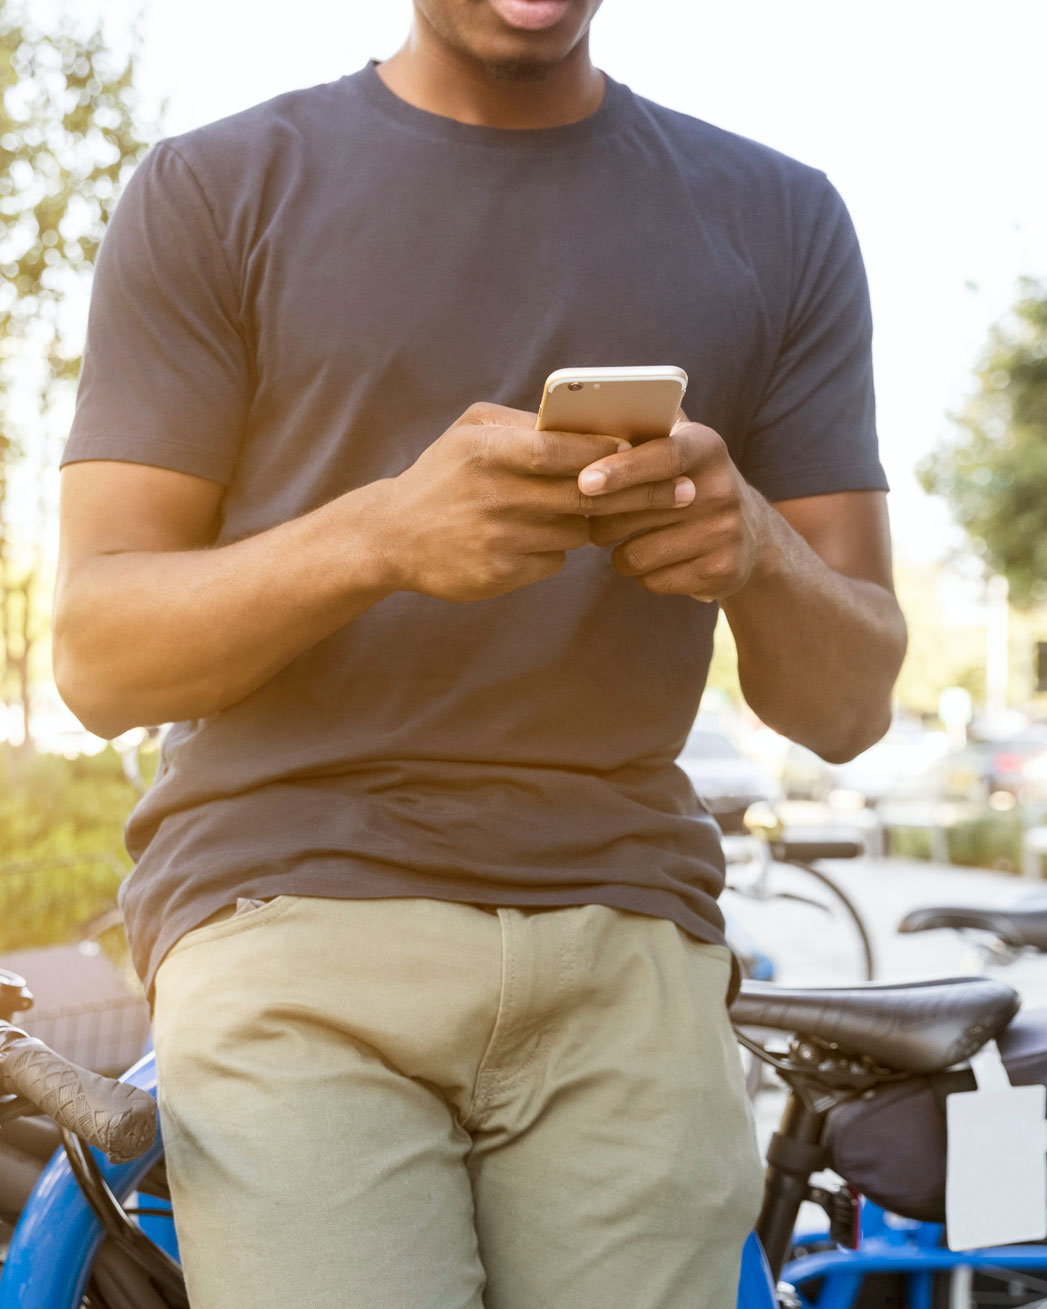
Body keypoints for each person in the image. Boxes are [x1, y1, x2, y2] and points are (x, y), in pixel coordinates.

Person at [52, 1, 907, 1305]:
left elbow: (848, 706)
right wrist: (381, 537)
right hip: (294, 910)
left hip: (628, 936)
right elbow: (97, 654)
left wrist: (760, 552)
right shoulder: (213, 190)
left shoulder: (779, 217)